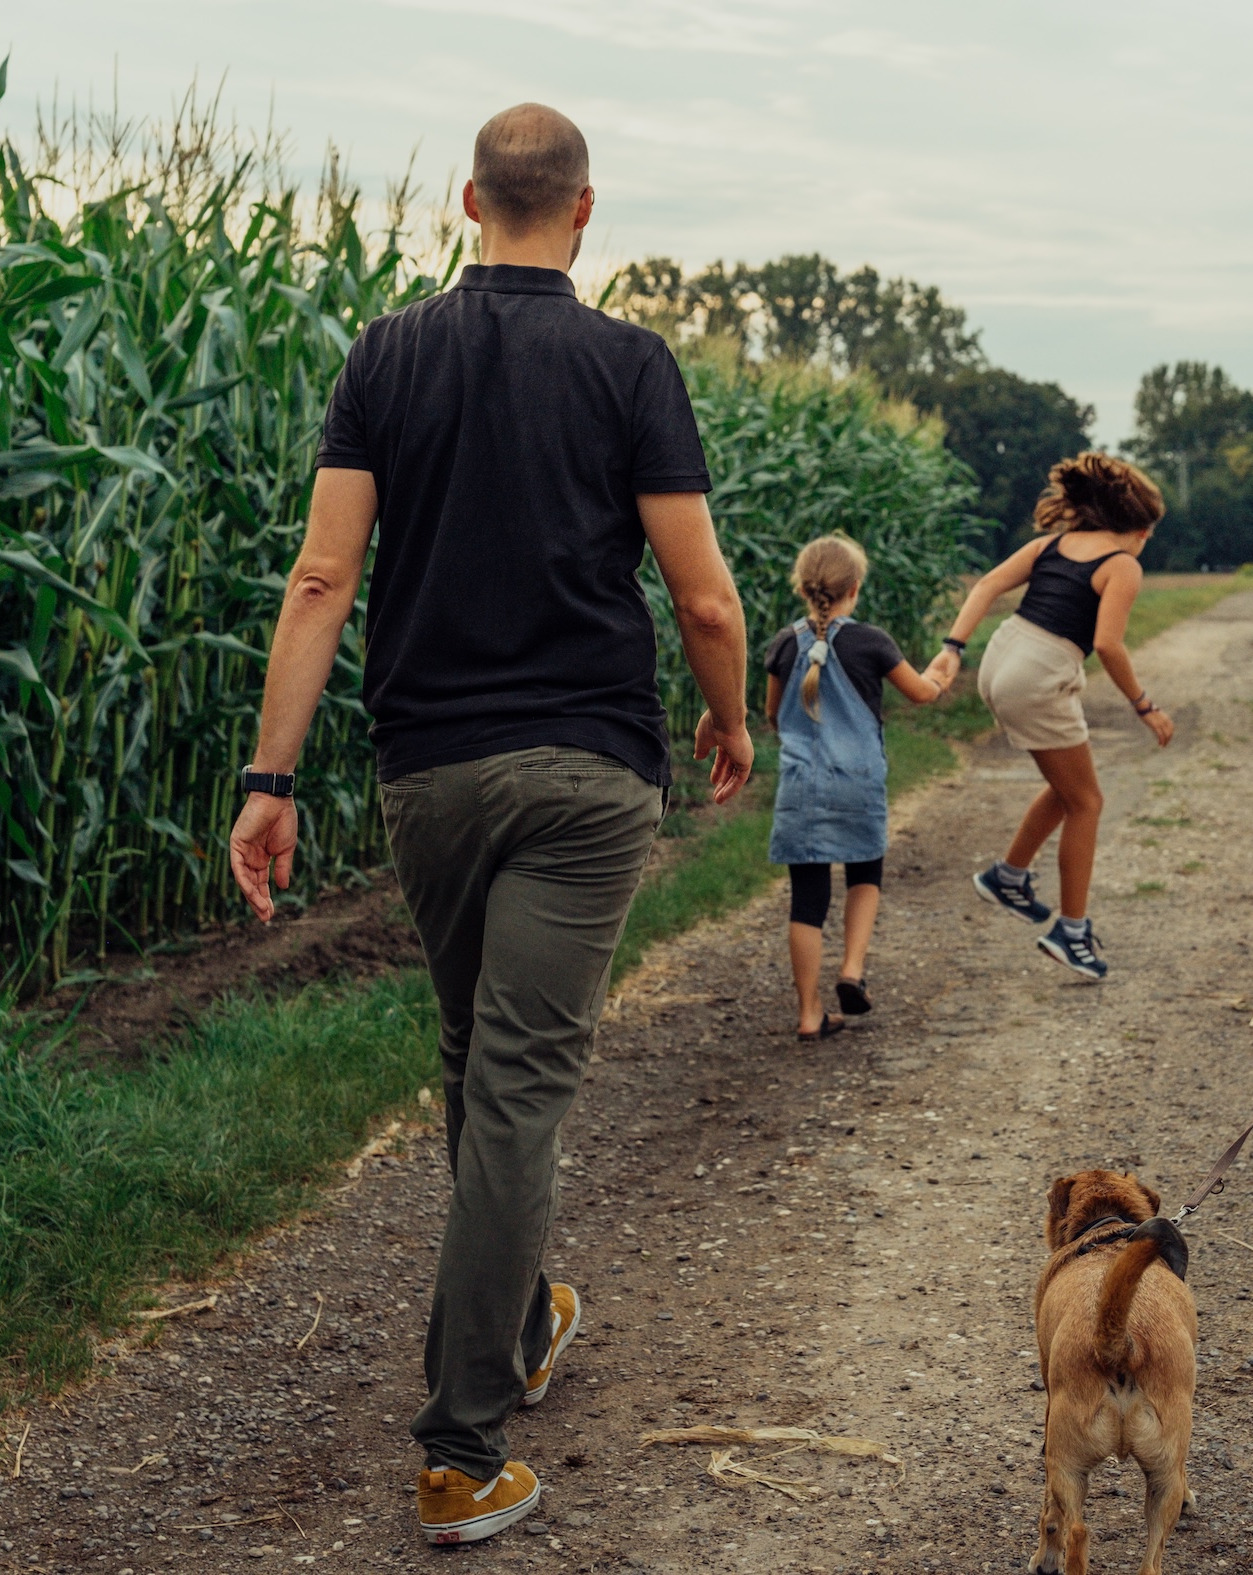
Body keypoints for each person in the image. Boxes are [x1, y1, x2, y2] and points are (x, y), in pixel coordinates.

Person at [224, 103, 753, 1544]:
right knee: (513, 1084)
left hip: (430, 772)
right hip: (584, 771)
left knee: (477, 1061)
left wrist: (269, 782)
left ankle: (519, 1318)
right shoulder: (628, 363)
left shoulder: (387, 353)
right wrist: (730, 715)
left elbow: (322, 579)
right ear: (583, 213)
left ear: (470, 201)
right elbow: (703, 592)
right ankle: (460, 1443)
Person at [923, 453, 1174, 983]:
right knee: (1088, 802)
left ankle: (1009, 876)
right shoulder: (1123, 566)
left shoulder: (1052, 545)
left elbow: (986, 586)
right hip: (1039, 674)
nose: (1147, 541)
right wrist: (1144, 706)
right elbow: (1107, 643)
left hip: (1001, 658)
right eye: (1149, 531)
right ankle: (1073, 932)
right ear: (1132, 525)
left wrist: (953, 648)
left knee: (1069, 790)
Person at [762, 536, 946, 1040]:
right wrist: (942, 671)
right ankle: (852, 970)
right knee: (866, 871)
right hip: (858, 782)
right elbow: (922, 693)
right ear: (854, 589)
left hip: (801, 785)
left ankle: (808, 1013)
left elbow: (772, 715)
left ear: (803, 588)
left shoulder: (783, 644)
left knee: (808, 898)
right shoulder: (872, 642)